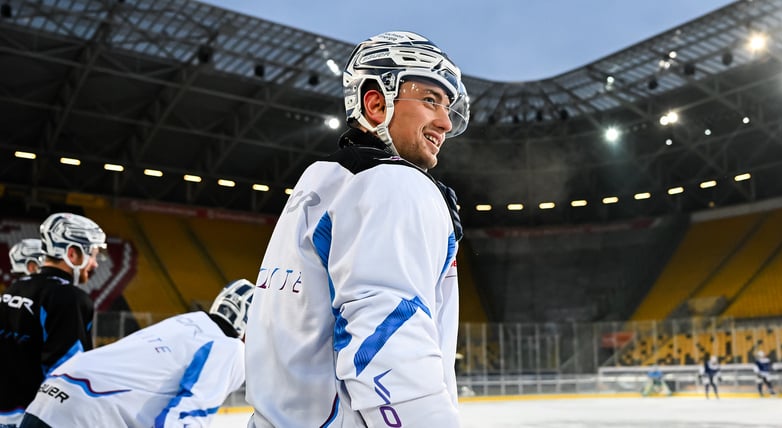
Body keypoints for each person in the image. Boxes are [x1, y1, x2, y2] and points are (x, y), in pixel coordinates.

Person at [245, 30, 468, 428]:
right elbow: (385, 336)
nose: (446, 122)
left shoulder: (320, 180)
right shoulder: (395, 183)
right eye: (431, 100)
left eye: (448, 105)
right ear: (376, 103)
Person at [19, 279, 254, 428]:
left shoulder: (186, 322)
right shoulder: (230, 347)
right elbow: (184, 419)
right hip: (86, 414)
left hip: (50, 394)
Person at [0, 213, 106, 427]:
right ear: (72, 254)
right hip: (33, 417)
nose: (94, 264)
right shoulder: (70, 298)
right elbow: (68, 370)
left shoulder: (13, 289)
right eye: (93, 255)